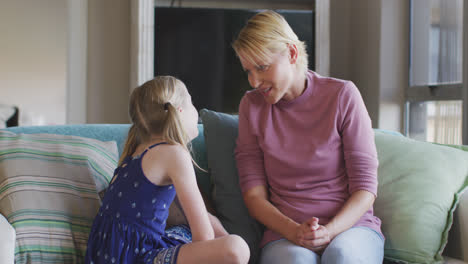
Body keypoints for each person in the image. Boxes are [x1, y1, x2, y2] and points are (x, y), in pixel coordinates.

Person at [232, 11, 384, 264]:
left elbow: (366, 188)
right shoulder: (251, 106)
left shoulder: (342, 95)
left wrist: (330, 231)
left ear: (292, 54)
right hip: (285, 234)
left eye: (262, 67)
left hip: (352, 228)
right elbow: (254, 197)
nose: (254, 81)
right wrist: (294, 231)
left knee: (342, 255)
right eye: (248, 70)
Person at [85, 76, 250, 264]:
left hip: (111, 255)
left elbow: (202, 218)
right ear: (179, 111)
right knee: (236, 248)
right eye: (192, 104)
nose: (196, 112)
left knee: (199, 226)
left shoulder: (136, 151)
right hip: (136, 257)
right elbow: (203, 236)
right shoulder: (174, 154)